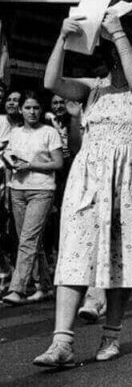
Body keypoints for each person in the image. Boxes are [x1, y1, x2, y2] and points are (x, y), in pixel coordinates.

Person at [35, 12, 132, 368]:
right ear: (113, 58)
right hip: (87, 180)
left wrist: (118, 31)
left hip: (127, 183)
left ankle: (112, 334)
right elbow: (51, 81)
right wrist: (61, 37)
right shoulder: (91, 89)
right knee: (74, 253)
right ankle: (62, 343)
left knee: (123, 257)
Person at [0, 91, 63, 305]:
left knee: (27, 240)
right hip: (18, 189)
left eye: (36, 108)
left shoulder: (49, 132)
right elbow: (8, 155)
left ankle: (17, 289)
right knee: (30, 241)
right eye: (28, 108)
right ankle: (44, 286)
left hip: (41, 190)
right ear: (21, 110)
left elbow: (57, 163)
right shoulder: (15, 132)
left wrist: (31, 165)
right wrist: (10, 165)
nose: (32, 112)